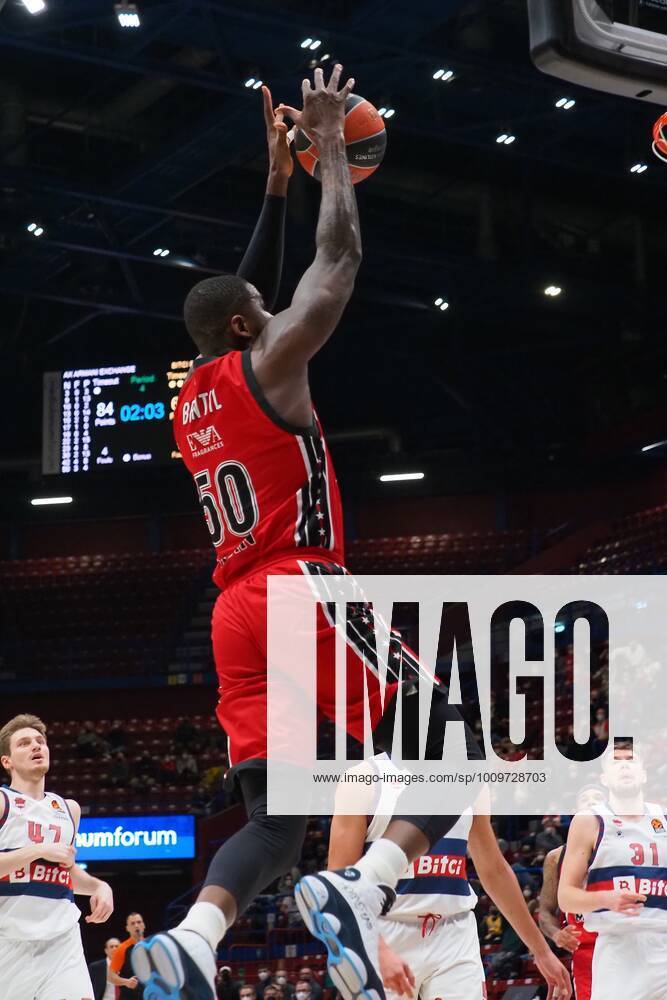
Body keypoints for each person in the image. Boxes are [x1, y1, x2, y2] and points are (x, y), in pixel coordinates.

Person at [132, 65, 487, 1000]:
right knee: (456, 739)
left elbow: (242, 300)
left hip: (234, 613)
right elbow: (336, 268)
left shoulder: (191, 401)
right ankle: (366, 886)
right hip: (302, 585)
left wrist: (274, 185)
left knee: (274, 821)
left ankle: (198, 937)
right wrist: (329, 148)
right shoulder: (273, 368)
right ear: (256, 325)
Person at [328, 754, 571, 1000]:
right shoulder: (364, 778)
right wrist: (376, 949)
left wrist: (540, 950)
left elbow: (494, 870)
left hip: (453, 930)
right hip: (385, 930)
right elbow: (340, 885)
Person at [0, 713, 114, 1000]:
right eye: (24, 743)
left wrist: (100, 886)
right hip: (9, 939)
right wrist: (38, 850)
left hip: (62, 938)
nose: (36, 746)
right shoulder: (2, 802)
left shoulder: (68, 809)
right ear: (7, 761)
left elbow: (67, 871)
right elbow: (45, 856)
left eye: (40, 741)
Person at [559, 742, 667, 1000]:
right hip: (619, 950)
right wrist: (606, 899)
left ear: (643, 774)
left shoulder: (662, 817)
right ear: (604, 779)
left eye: (630, 759)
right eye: (616, 761)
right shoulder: (589, 821)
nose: (624, 765)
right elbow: (565, 897)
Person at [538, 786, 605, 1000]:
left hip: (626, 939)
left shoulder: (629, 847)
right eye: (585, 799)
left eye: (598, 798)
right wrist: (557, 934)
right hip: (585, 950)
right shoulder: (556, 857)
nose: (592, 802)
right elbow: (545, 913)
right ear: (575, 811)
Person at [109, 911, 146, 996]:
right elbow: (111, 976)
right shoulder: (122, 948)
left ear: (144, 925)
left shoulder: (151, 946)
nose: (136, 925)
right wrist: (126, 982)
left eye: (139, 922)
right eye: (132, 923)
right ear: (127, 928)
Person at [89, 936, 121, 1000]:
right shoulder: (96, 967)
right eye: (111, 947)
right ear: (106, 950)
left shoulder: (127, 966)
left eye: (117, 946)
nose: (114, 949)